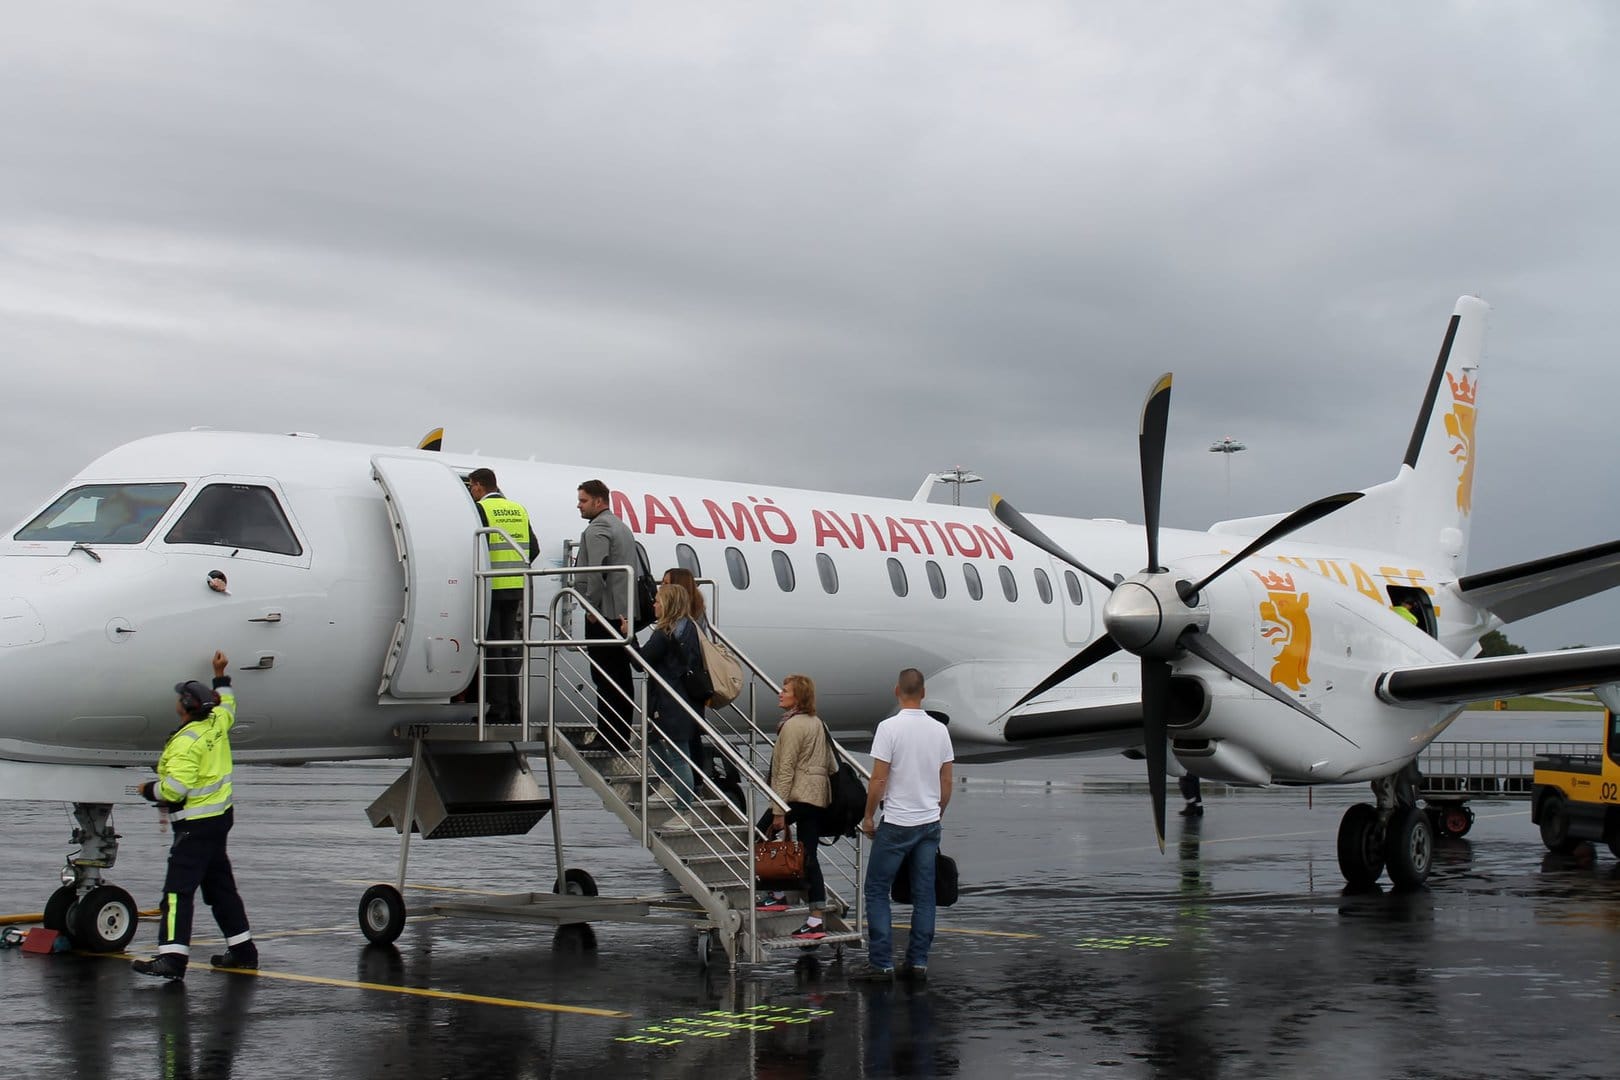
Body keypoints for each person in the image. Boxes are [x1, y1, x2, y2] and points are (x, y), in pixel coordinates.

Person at [132, 651, 257, 980]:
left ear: (186, 706)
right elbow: (228, 705)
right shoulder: (217, 722)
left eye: (179, 698)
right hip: (219, 821)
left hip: (194, 827)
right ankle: (243, 951)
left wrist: (147, 789)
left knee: (177, 893)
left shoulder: (185, 743)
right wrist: (220, 675)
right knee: (220, 890)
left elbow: (174, 791)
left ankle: (172, 958)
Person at [851, 668, 954, 984]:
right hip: (928, 823)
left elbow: (878, 779)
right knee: (924, 894)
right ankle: (918, 961)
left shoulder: (888, 728)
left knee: (877, 889)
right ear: (923, 693)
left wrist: (869, 816)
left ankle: (881, 963)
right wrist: (937, 812)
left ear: (897, 691)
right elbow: (946, 781)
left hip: (897, 822)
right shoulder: (940, 730)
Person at [758, 674, 834, 940]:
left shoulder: (792, 726)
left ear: (798, 697)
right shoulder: (817, 723)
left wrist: (778, 810)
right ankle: (816, 917)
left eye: (785, 690)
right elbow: (830, 763)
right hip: (817, 796)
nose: (780, 693)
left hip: (797, 797)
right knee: (808, 855)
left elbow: (785, 770)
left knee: (760, 835)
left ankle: (777, 893)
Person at [468, 469, 536, 725]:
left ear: (478, 485)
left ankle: (498, 709)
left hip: (492, 587)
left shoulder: (481, 509)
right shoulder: (518, 509)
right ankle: (514, 709)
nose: (472, 491)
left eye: (472, 486)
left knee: (492, 648)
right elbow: (534, 548)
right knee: (508, 647)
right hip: (516, 587)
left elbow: (477, 546)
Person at [632, 584, 705, 812]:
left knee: (677, 754)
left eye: (658, 601)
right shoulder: (690, 628)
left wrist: (629, 639)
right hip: (684, 698)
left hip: (669, 700)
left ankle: (683, 806)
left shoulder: (665, 633)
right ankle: (670, 786)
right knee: (656, 741)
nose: (654, 605)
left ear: (668, 605)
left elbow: (640, 662)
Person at [576, 479, 637, 750]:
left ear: (599, 501)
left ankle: (608, 736)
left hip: (604, 614)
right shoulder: (621, 527)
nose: (579, 505)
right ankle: (620, 735)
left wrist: (590, 607)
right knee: (620, 675)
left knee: (604, 677)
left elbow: (597, 571)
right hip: (622, 613)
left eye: (583, 500)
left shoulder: (598, 529)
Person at [662, 566, 712, 772]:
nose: (661, 588)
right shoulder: (697, 609)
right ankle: (697, 780)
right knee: (691, 735)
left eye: (666, 583)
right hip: (693, 682)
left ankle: (691, 783)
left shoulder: (683, 621)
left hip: (684, 681)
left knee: (684, 741)